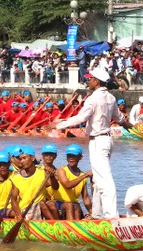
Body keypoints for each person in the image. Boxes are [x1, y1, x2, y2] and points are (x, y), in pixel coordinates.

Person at [55, 67, 132, 219]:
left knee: (104, 181)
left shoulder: (93, 98)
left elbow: (80, 118)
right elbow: (119, 118)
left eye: (90, 79)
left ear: (96, 81)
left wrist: (58, 125)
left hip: (98, 141)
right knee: (97, 180)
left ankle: (111, 216)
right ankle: (97, 213)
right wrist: (128, 125)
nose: (88, 81)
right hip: (106, 140)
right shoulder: (110, 97)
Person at [55, 144, 92, 220]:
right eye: (69, 156)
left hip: (74, 205)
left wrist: (92, 213)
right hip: (59, 204)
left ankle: (76, 228)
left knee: (76, 207)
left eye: (74, 156)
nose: (71, 158)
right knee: (70, 206)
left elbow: (85, 198)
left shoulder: (82, 175)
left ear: (80, 157)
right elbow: (67, 185)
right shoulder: (61, 170)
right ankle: (71, 229)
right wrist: (85, 176)